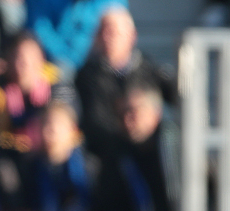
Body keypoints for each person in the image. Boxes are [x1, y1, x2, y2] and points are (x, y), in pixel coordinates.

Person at [74, 4, 174, 160]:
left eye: (113, 32)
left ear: (132, 36)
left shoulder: (150, 71)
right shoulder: (86, 77)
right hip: (108, 159)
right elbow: (95, 123)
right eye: (102, 31)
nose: (107, 37)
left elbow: (178, 99)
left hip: (152, 154)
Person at [93, 78, 177, 211]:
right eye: (121, 113)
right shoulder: (115, 156)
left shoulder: (178, 149)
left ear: (156, 113)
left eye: (133, 111)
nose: (127, 119)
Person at [22, 99, 97, 211]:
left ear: (73, 129)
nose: (52, 130)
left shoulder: (91, 169)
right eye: (46, 124)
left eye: (58, 124)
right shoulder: (29, 170)